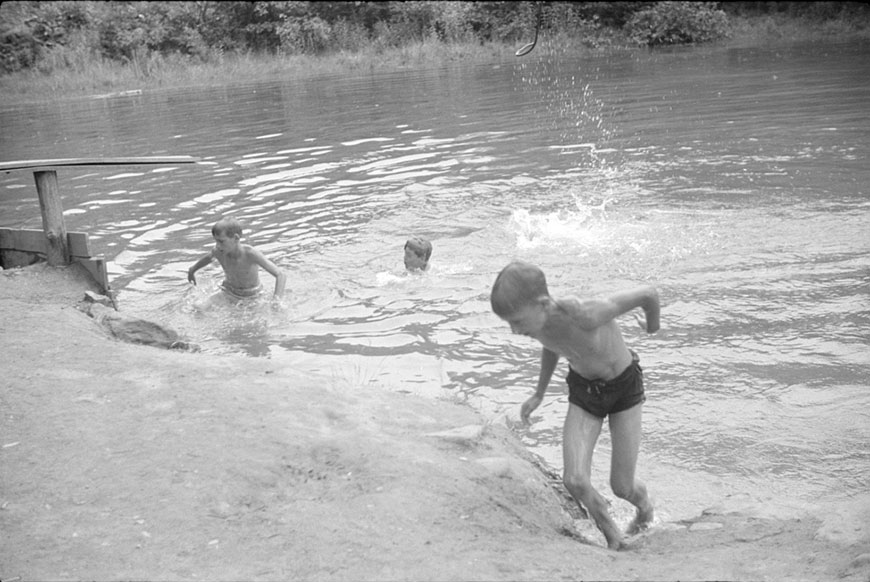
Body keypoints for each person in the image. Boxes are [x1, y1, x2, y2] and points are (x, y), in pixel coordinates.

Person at [490, 260, 660, 551]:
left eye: (516, 321)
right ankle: (614, 537)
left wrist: (652, 327)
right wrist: (539, 393)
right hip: (585, 392)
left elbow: (648, 294)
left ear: (543, 304)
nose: (513, 331)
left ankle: (645, 509)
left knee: (622, 486)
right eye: (509, 324)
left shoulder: (586, 313)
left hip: (623, 388)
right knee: (575, 480)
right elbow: (552, 346)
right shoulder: (539, 325)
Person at [187, 217, 286, 306]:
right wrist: (193, 270)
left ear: (236, 238)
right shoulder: (219, 252)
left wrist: (276, 301)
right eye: (216, 241)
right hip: (228, 292)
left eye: (221, 241)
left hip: (253, 296)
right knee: (198, 307)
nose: (217, 245)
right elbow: (209, 258)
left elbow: (280, 275)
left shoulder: (250, 254)